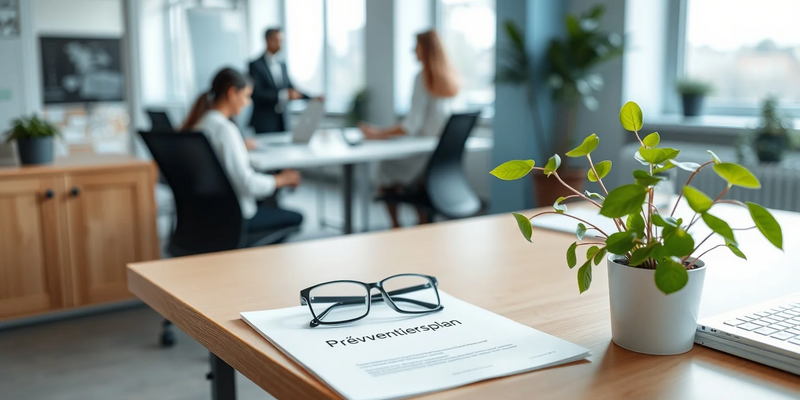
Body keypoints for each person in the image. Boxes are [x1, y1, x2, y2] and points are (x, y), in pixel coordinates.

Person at [180, 67, 303, 232]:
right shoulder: (225, 130)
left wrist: (238, 145)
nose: (248, 103)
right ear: (232, 93)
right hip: (236, 216)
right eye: (246, 96)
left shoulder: (202, 123)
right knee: (297, 217)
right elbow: (247, 183)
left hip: (207, 212)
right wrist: (281, 180)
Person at [359, 30, 461, 228]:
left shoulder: (422, 77)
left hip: (423, 155)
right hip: (440, 156)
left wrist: (377, 134)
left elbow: (410, 126)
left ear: (426, 48)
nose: (413, 50)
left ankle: (396, 226)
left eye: (416, 45)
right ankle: (421, 222)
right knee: (406, 175)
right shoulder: (450, 78)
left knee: (385, 167)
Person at [249, 27, 324, 133]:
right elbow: (256, 94)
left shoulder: (282, 64)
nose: (280, 44)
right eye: (277, 40)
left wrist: (312, 98)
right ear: (267, 40)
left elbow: (291, 89)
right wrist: (283, 95)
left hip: (282, 121)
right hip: (263, 122)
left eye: (281, 41)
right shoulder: (255, 65)